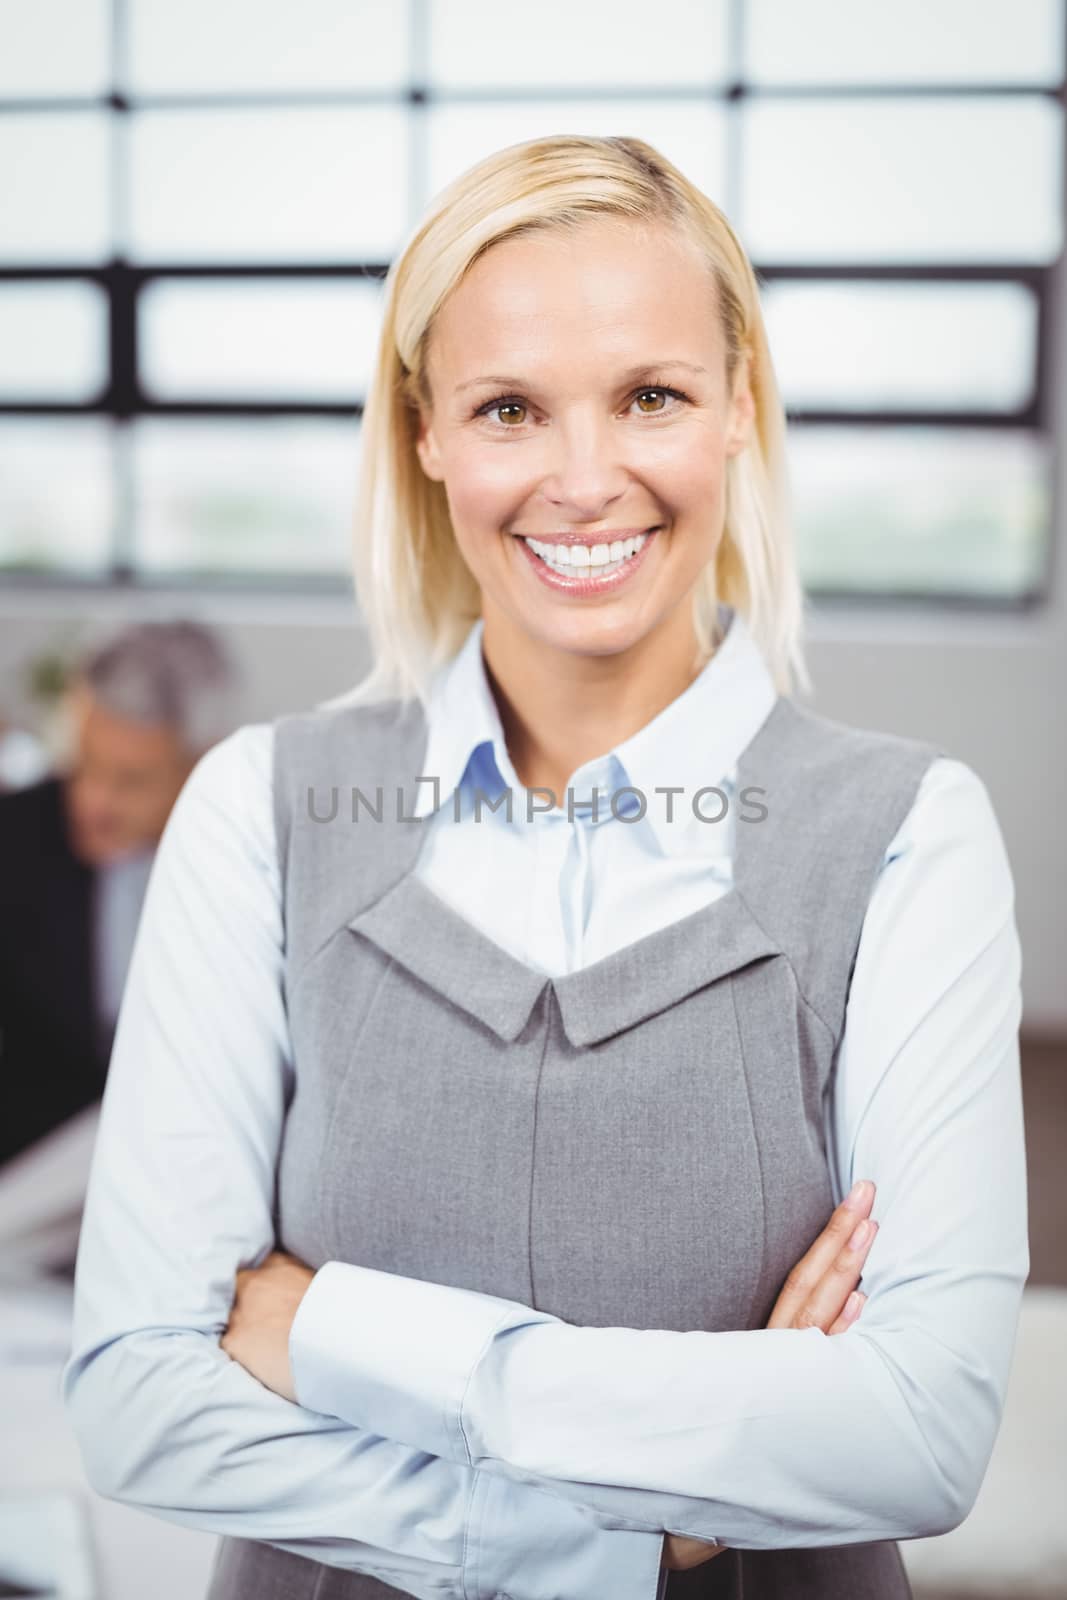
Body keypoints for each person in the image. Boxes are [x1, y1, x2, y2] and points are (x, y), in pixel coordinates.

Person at [61, 136, 1028, 1600]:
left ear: (735, 410)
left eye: (648, 395)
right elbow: (138, 1399)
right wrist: (663, 1521)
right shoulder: (260, 809)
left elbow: (916, 1432)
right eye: (508, 407)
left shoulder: (905, 833)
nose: (585, 482)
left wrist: (333, 1336)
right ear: (425, 434)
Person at [0, 622, 237, 1169]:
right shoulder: (15, 835)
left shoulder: (248, 858)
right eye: (85, 765)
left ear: (200, 764)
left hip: (192, 1153)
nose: (92, 802)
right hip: (38, 1157)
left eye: (129, 780)